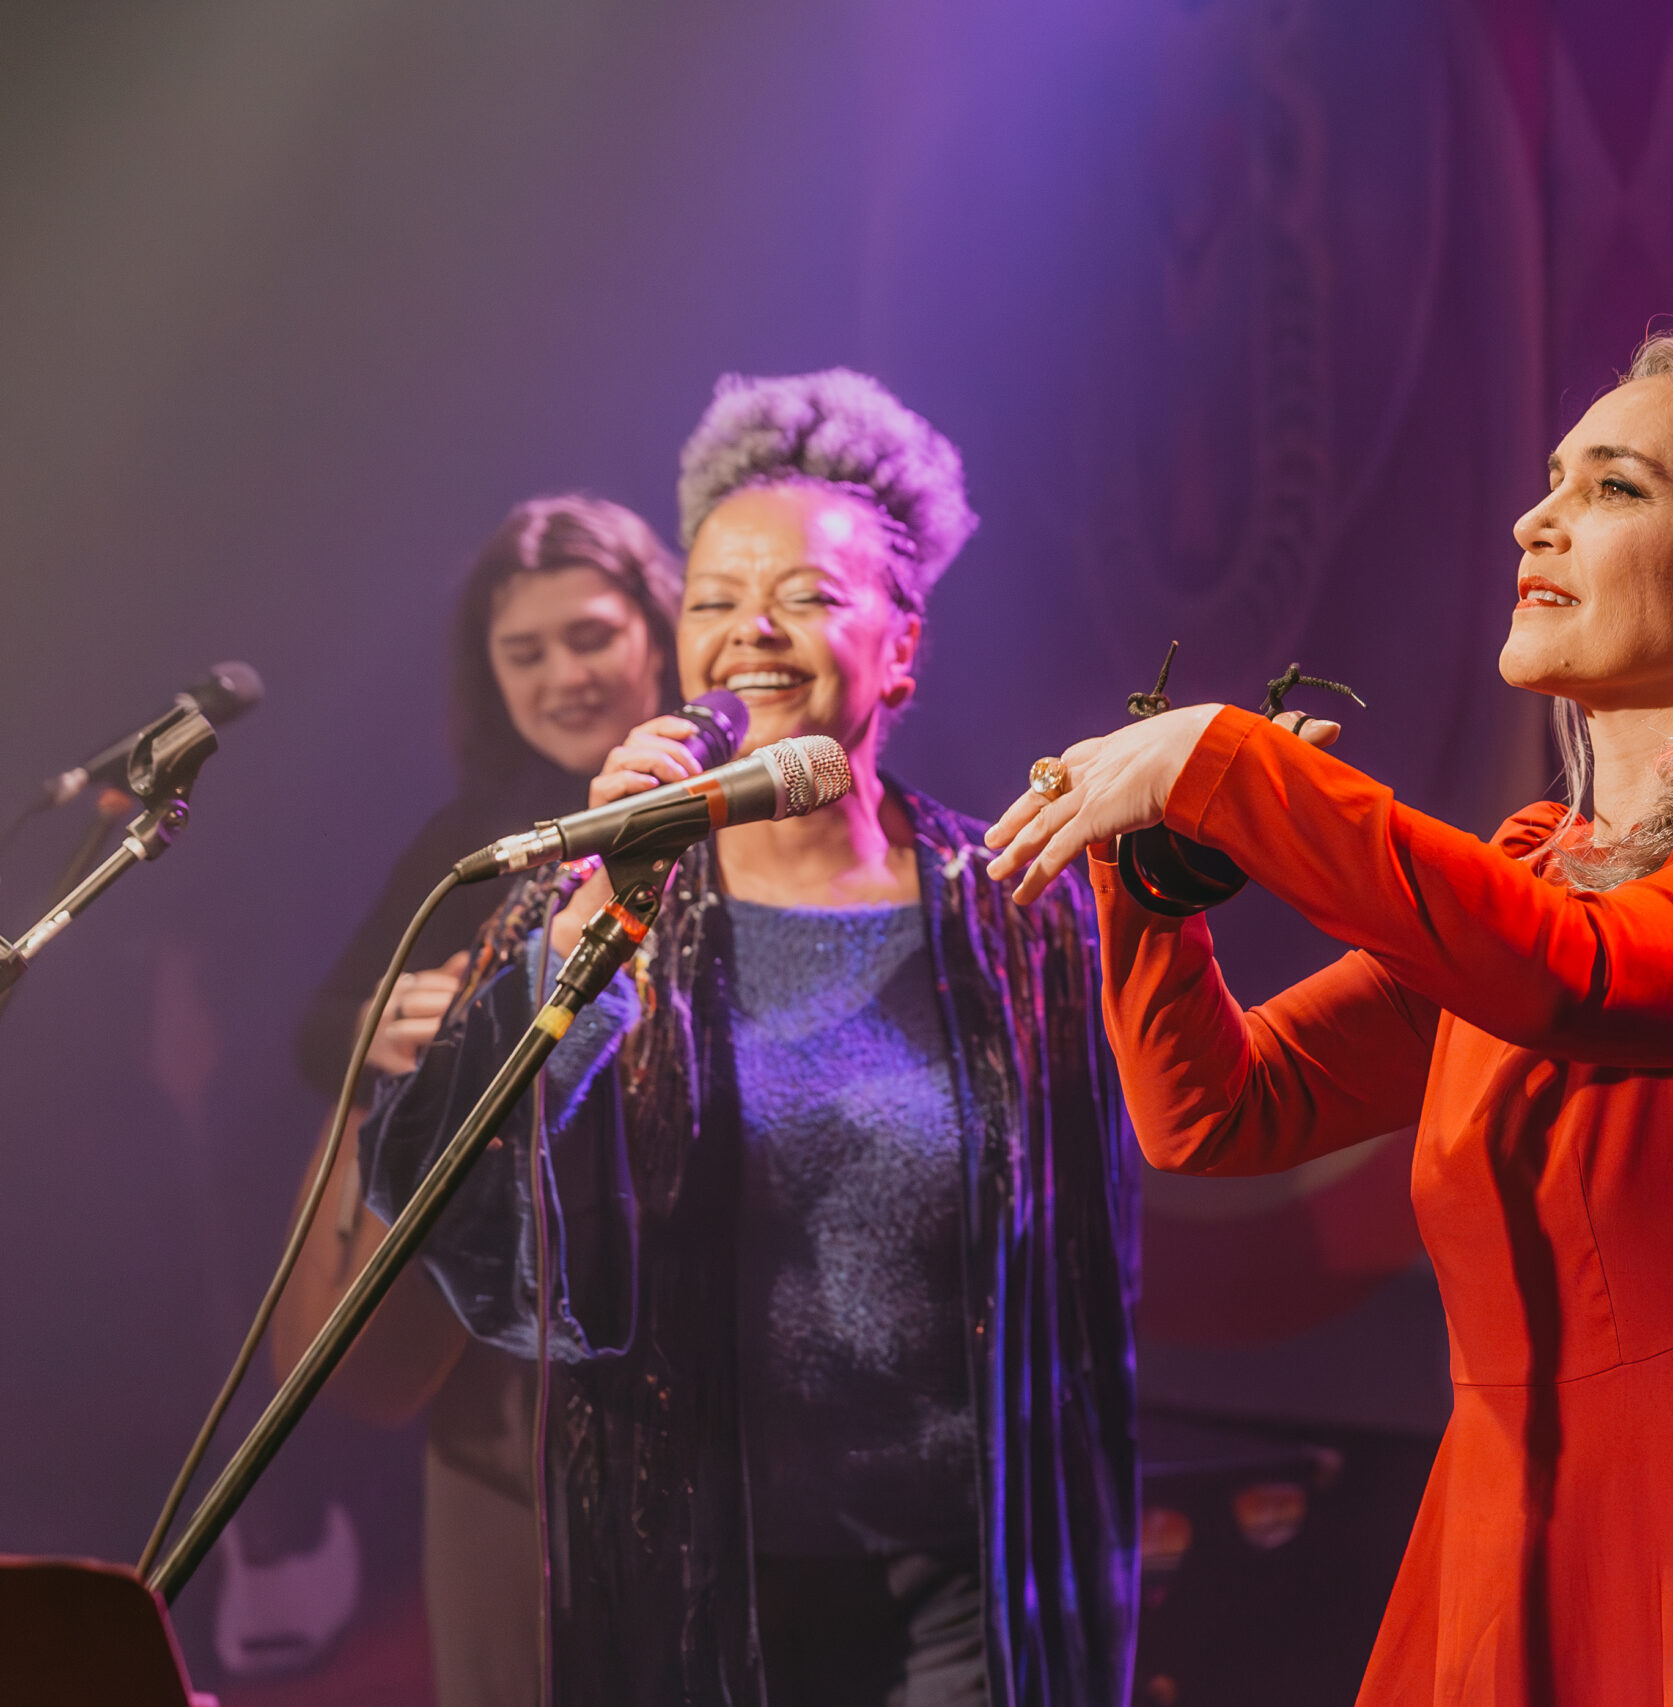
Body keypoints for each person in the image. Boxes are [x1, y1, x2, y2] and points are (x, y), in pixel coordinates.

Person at [988, 329, 1673, 1704]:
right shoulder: (1533, 877)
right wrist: (1160, 891)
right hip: (1501, 1528)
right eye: (1551, 480)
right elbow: (1218, 1112)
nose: (1536, 520)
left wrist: (1230, 766)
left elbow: (1574, 974)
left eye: (1616, 487)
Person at [365, 370, 1141, 1707]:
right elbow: (461, 1192)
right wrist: (602, 911)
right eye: (715, 600)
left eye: (808, 596)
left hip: (970, 1574)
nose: (751, 632)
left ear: (902, 644)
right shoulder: (590, 902)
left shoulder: (1018, 906)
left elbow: (1088, 1267)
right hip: (702, 1585)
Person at [277, 495, 682, 1707]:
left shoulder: (732, 808)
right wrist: (380, 1021)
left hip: (678, 1346)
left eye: (590, 637)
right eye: (526, 652)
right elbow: (318, 1032)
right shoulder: (474, 838)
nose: (562, 675)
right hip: (498, 1370)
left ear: (657, 631)